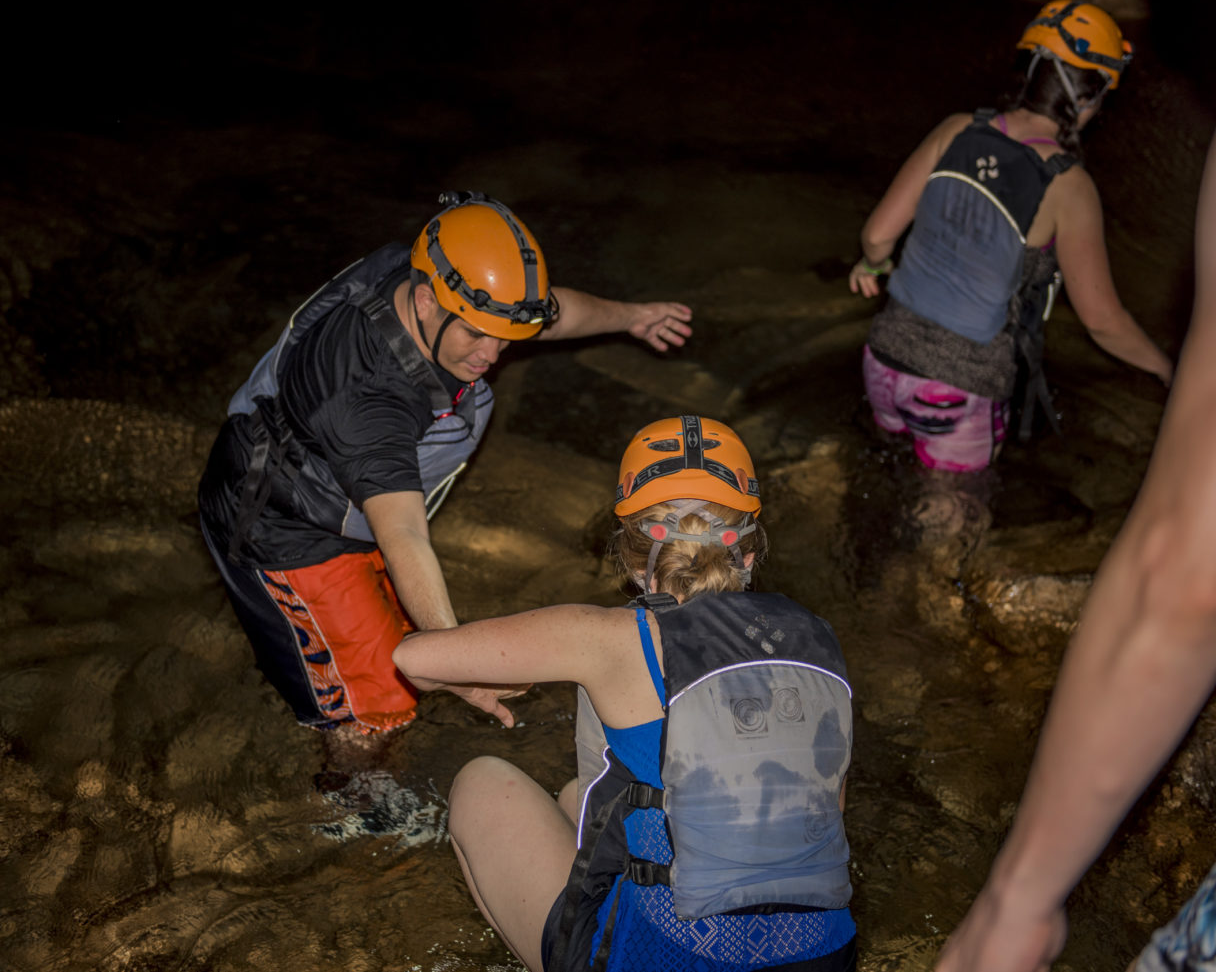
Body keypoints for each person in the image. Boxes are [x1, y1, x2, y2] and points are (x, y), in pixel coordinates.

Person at [934, 0, 1216, 972]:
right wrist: (1156, 364)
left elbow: (1192, 563)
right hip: (970, 386)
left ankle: (936, 596)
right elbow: (1106, 313)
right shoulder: (1069, 184)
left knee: (936, 516)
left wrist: (1016, 901)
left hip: (901, 360)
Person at [196, 192, 694, 759]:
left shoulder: (433, 279)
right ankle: (354, 811)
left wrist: (633, 317)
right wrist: (457, 658)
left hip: (339, 484)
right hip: (283, 528)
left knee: (402, 632)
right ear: (428, 301)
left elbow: (546, 314)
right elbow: (403, 530)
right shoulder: (366, 399)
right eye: (476, 335)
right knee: (376, 708)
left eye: (504, 334)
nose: (493, 353)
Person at [392, 415, 859, 972]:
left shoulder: (608, 637)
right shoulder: (817, 639)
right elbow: (829, 811)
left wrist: (468, 680)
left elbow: (413, 659)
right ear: (751, 553)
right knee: (576, 799)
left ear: (634, 561)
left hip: (671, 960)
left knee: (482, 783)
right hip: (824, 955)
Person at [849, 0, 1173, 472]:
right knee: (953, 525)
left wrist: (872, 265)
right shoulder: (1068, 185)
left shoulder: (956, 130)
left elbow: (878, 236)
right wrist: (1166, 369)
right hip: (957, 387)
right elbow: (1103, 321)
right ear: (1087, 98)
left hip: (883, 360)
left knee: (884, 472)